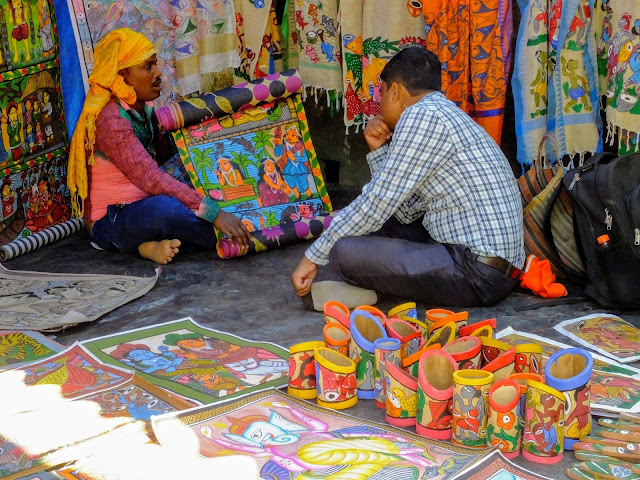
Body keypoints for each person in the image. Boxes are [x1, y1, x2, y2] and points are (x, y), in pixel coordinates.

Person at [291, 47, 524, 308]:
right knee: (370, 227)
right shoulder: (445, 113)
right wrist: (378, 151)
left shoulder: (420, 116)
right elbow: (405, 212)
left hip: (476, 273)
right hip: (491, 269)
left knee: (342, 252)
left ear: (395, 91)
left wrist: (312, 257)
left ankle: (374, 293)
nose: (379, 106)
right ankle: (379, 289)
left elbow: (376, 204)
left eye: (381, 94)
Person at [68, 28, 250, 265]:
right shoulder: (110, 120)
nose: (158, 73)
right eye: (148, 67)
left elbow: (170, 159)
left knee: (196, 172)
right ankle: (241, 234)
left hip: (143, 211)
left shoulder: (142, 111)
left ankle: (147, 247)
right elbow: (151, 178)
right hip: (111, 223)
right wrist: (213, 213)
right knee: (167, 210)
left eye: (155, 65)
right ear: (121, 77)